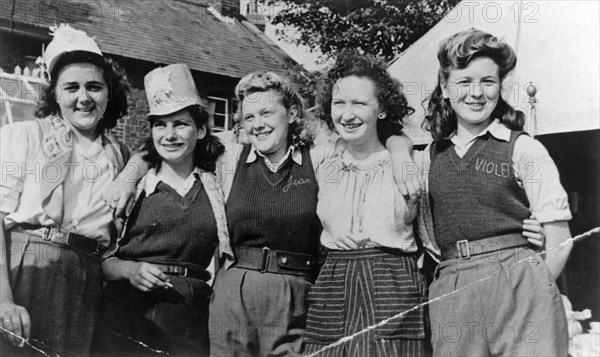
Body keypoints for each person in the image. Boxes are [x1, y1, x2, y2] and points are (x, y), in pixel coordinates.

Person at [105, 70, 419, 356]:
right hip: (234, 294)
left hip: (295, 295)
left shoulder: (321, 155)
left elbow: (373, 136)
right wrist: (129, 175)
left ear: (292, 113)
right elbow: (171, 141)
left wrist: (400, 150)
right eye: (249, 116)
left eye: (267, 112)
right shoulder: (229, 156)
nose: (258, 124)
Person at [417, 28, 572, 356]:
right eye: (464, 82)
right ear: (445, 88)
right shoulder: (427, 159)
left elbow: (559, 238)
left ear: (501, 87)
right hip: (453, 289)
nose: (476, 93)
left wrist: (533, 290)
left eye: (487, 81)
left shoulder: (524, 149)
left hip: (521, 288)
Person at [0, 24, 129, 356]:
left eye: (94, 87)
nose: (83, 98)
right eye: (71, 87)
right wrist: (3, 299)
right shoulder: (25, 136)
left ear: (109, 93)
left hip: (83, 281)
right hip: (23, 267)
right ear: (55, 94)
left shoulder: (120, 157)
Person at [94, 63, 231, 356]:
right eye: (160, 124)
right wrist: (130, 270)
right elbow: (99, 261)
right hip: (128, 311)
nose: (169, 135)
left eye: (181, 124)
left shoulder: (217, 183)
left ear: (203, 129)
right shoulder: (130, 185)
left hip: (189, 315)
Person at [302, 50, 428, 356]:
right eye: (339, 103)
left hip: (393, 283)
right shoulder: (320, 161)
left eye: (359, 103)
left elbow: (434, 235)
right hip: (333, 284)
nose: (347, 114)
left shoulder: (412, 162)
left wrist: (399, 148)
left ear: (381, 110)